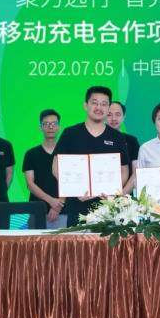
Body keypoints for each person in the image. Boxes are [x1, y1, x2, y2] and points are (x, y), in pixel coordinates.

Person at [52, 86, 131, 226]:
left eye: (104, 104)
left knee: (107, 240)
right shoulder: (70, 133)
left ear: (108, 108)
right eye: (95, 103)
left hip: (107, 206)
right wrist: (74, 189)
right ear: (85, 105)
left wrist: (112, 192)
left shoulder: (117, 137)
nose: (99, 107)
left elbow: (124, 170)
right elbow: (55, 167)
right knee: (77, 240)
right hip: (77, 204)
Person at [22, 109, 67, 229]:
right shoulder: (31, 154)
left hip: (62, 210)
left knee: (62, 241)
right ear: (40, 127)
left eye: (54, 123)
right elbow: (30, 184)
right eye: (46, 124)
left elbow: (69, 183)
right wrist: (51, 201)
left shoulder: (66, 154)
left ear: (59, 127)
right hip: (36, 209)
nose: (50, 127)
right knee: (33, 242)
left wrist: (57, 207)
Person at [107, 100, 140, 194]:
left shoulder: (131, 140)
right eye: (109, 115)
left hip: (125, 197)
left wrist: (121, 196)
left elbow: (136, 172)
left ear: (123, 117)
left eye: (117, 114)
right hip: (99, 195)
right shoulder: (96, 139)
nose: (113, 118)